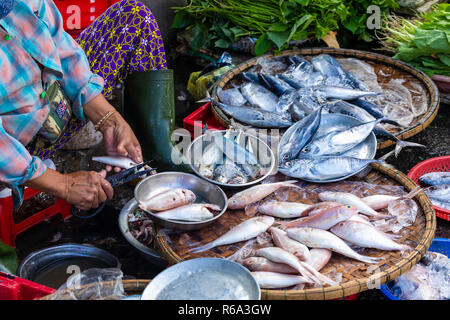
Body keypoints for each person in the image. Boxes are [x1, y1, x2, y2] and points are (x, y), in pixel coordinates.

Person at [0, 0, 168, 211]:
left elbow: (61, 47)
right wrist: (64, 184)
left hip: (50, 107)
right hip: (12, 149)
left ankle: (151, 161)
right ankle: (25, 175)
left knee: (133, 16)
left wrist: (110, 120)